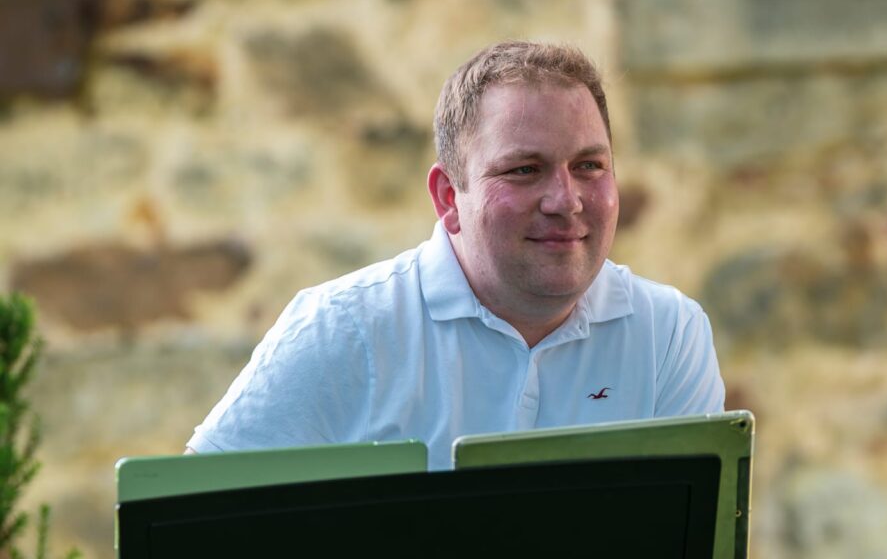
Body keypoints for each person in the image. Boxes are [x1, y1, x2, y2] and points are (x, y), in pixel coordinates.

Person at [187, 41, 724, 469]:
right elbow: (193, 517)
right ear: (449, 198)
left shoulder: (667, 335)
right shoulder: (344, 330)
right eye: (524, 170)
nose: (565, 200)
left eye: (589, 166)